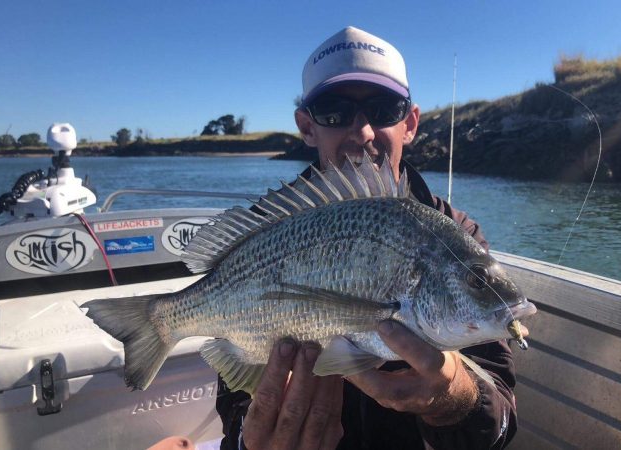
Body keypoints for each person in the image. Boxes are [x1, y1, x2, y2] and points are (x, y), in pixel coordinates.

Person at [216, 26, 523, 450]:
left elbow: (499, 423)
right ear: (307, 126)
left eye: (383, 109)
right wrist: (249, 439)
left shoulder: (455, 235)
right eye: (334, 112)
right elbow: (235, 405)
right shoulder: (264, 233)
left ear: (410, 123)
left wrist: (456, 398)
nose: (362, 132)